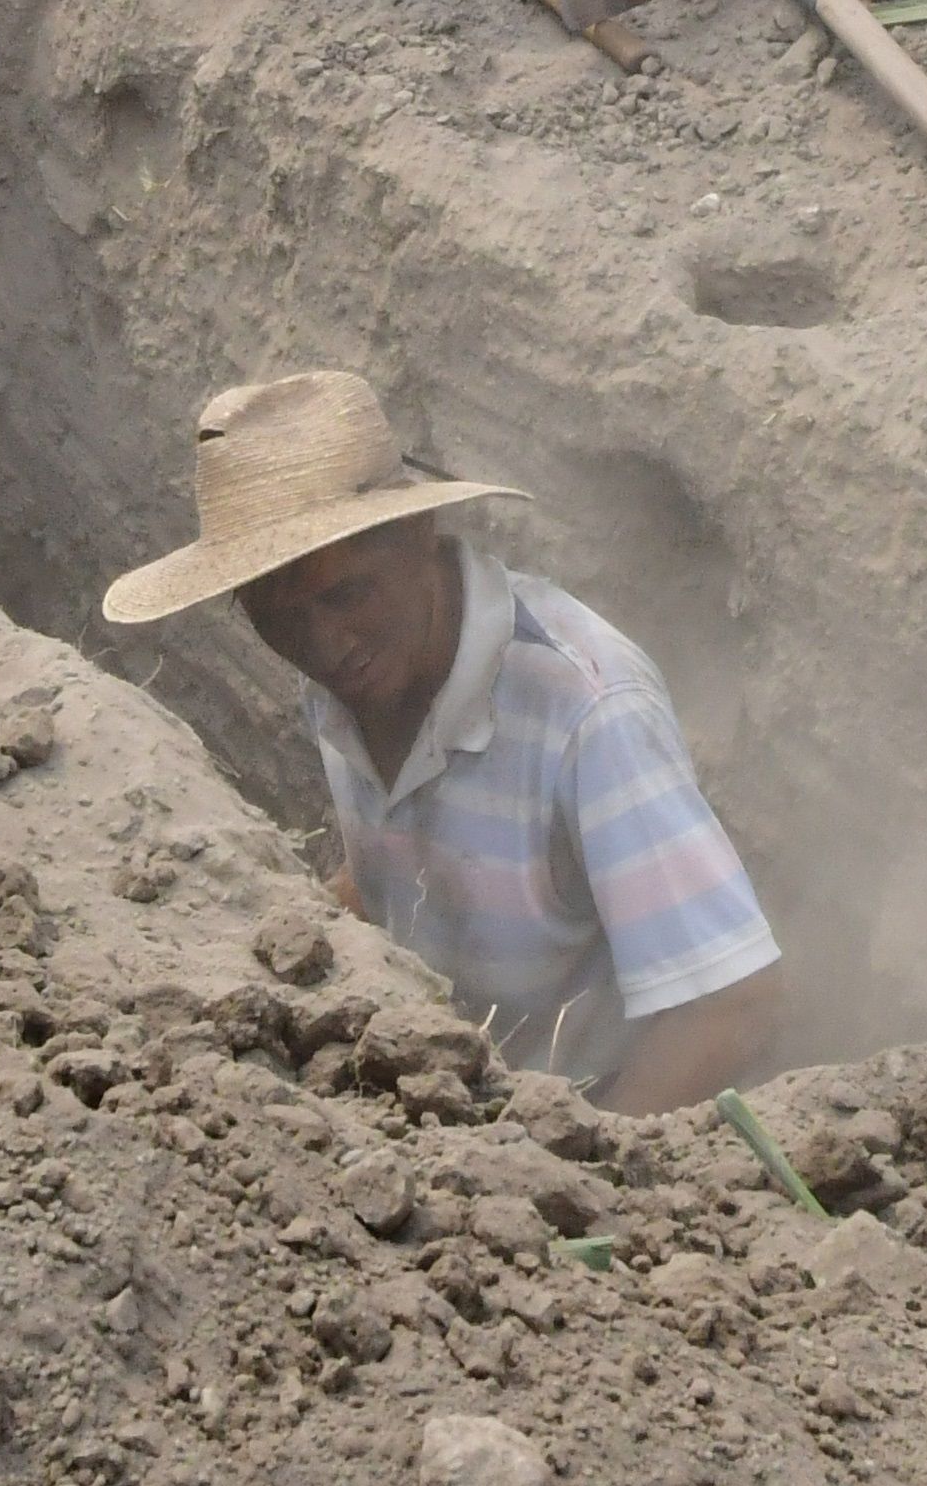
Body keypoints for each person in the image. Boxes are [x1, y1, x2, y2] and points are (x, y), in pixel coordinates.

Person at [103, 369, 784, 1109]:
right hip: (438, 1095)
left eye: (347, 593)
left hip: (584, 1109)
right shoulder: (353, 677)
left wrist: (579, 1173)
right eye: (278, 617)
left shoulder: (587, 712)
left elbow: (732, 1006)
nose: (324, 644)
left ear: (419, 534)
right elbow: (398, 871)